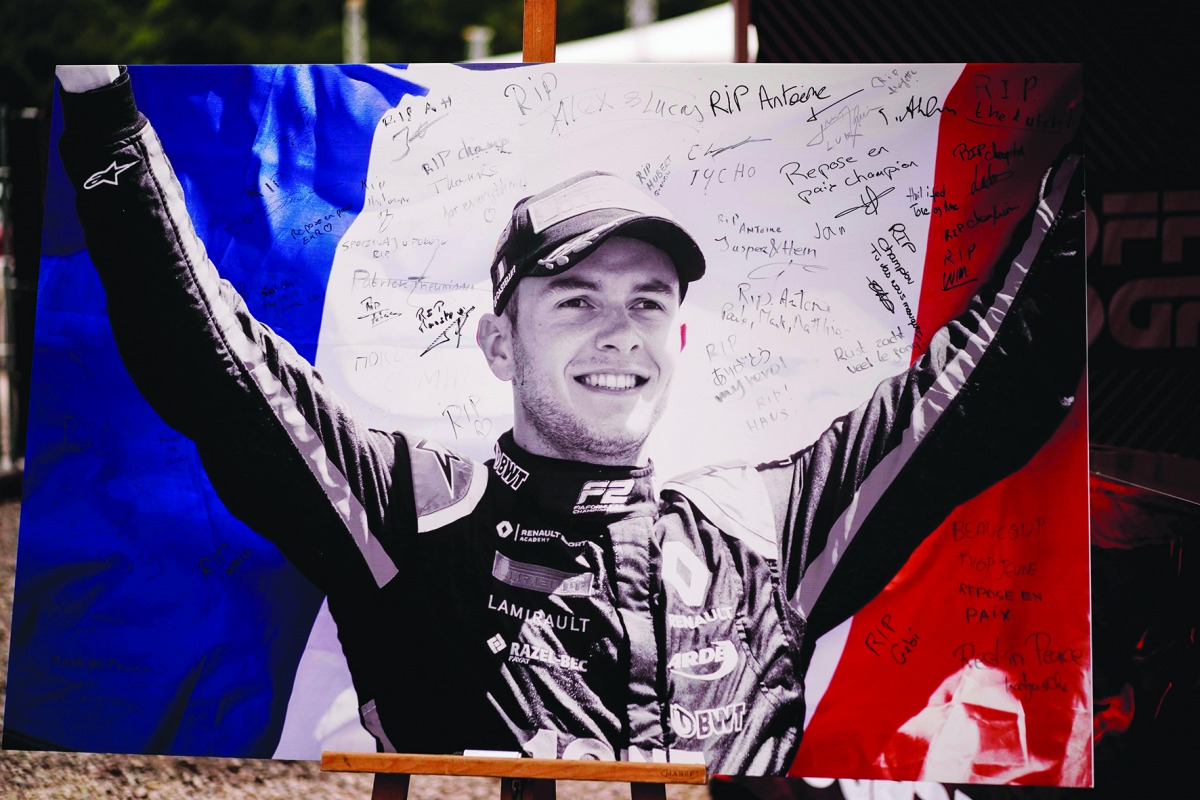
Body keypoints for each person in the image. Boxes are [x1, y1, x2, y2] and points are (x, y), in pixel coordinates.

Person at [53, 65, 1084, 774]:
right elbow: (210, 363)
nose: (618, 333)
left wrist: (1090, 160)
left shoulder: (773, 521)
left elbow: (994, 389)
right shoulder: (406, 514)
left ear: (679, 341)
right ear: (498, 343)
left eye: (646, 301)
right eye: (575, 299)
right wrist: (102, 118)